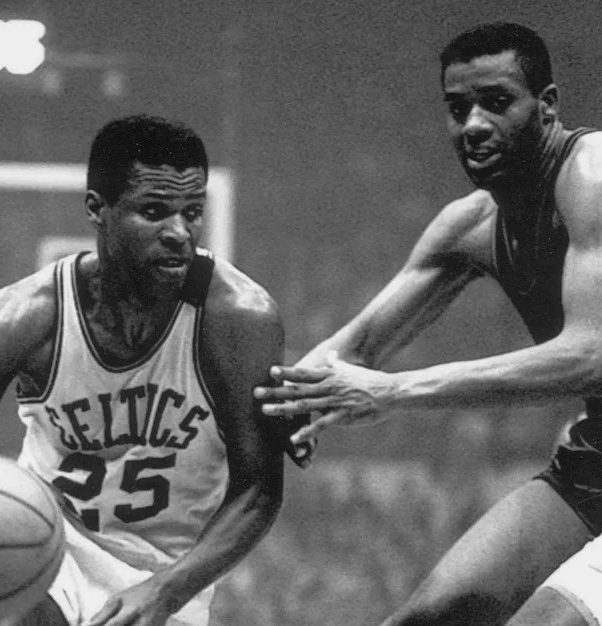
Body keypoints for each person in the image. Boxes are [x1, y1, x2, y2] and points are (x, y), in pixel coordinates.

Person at [254, 21, 602, 626]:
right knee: (429, 616)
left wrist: (397, 391)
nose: (472, 124)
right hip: (596, 459)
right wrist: (266, 411)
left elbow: (591, 354)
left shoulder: (592, 175)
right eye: (457, 107)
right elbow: (352, 350)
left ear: (547, 106)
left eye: (496, 102)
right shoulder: (468, 227)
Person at [0, 114, 290, 626]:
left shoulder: (239, 319)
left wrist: (166, 591)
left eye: (192, 212)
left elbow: (259, 490)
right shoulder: (22, 317)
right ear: (98, 209)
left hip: (168, 568)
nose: (179, 233)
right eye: (154, 211)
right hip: (47, 542)